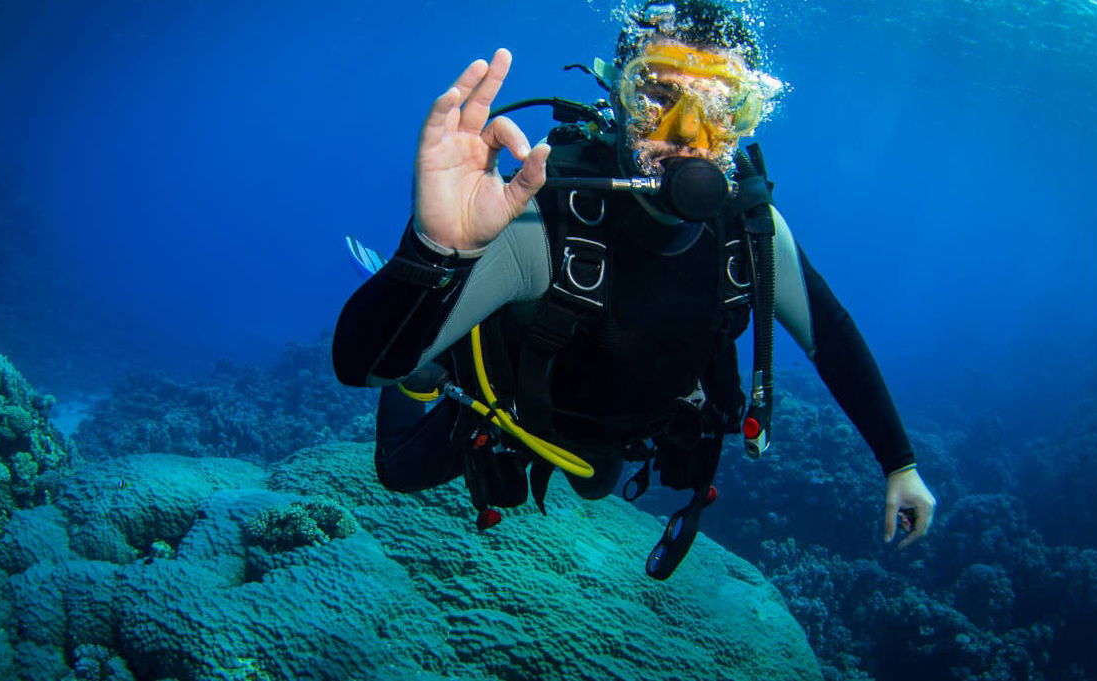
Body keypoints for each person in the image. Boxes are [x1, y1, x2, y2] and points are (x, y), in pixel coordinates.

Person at [333, 0, 935, 579]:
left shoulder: (751, 233)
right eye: (659, 97)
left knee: (596, 484)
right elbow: (361, 367)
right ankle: (432, 357)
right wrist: (436, 249)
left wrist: (899, 463)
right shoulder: (545, 221)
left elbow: (832, 337)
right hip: (514, 407)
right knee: (397, 470)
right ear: (617, 97)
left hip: (613, 426)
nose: (688, 134)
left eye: (722, 108)